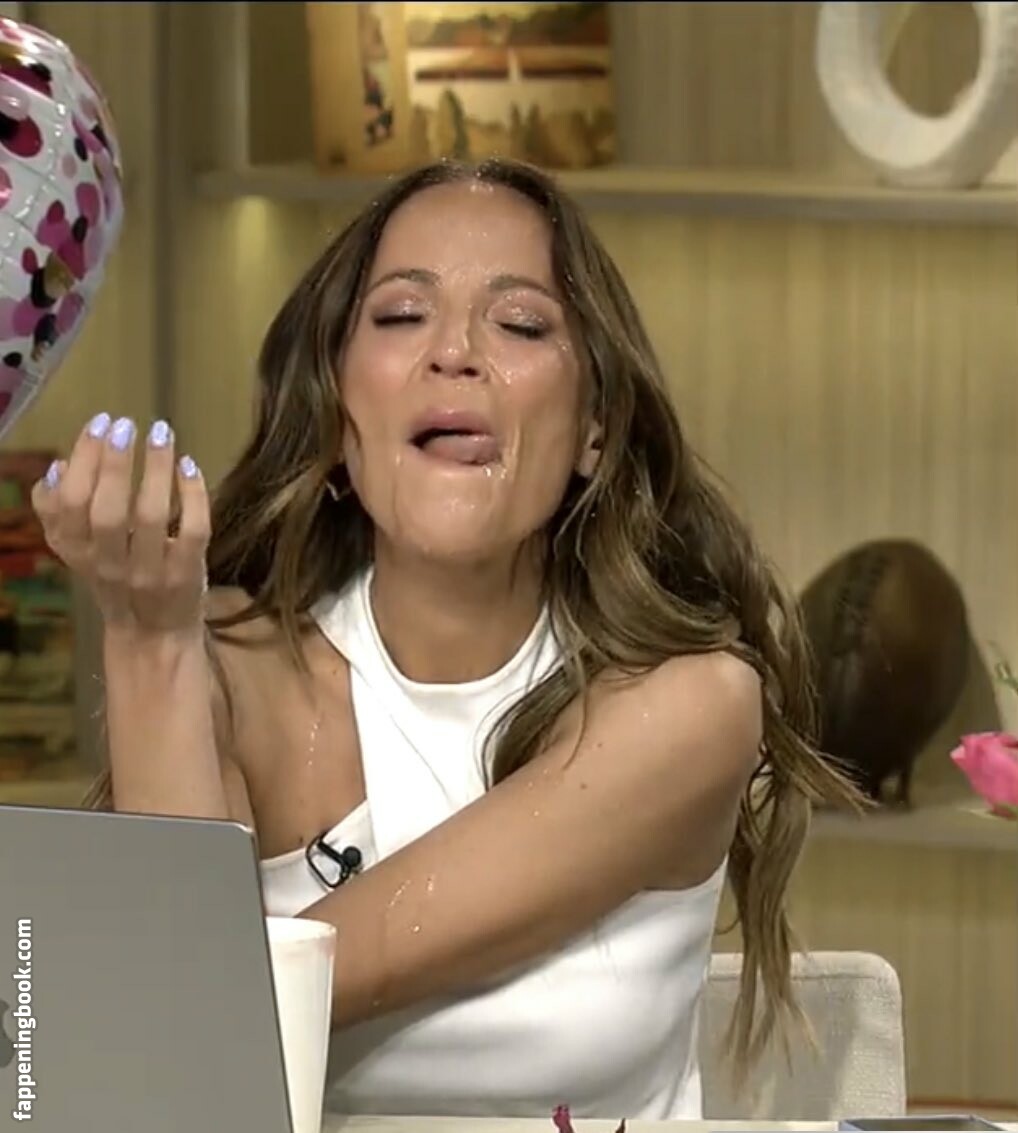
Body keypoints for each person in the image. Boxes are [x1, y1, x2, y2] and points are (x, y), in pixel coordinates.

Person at [32, 158, 861, 1121]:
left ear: (594, 428)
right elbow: (175, 1098)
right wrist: (149, 639)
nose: (455, 351)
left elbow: (197, 1010)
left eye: (520, 324)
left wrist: (158, 995)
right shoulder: (229, 669)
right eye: (400, 314)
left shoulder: (691, 705)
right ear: (337, 412)